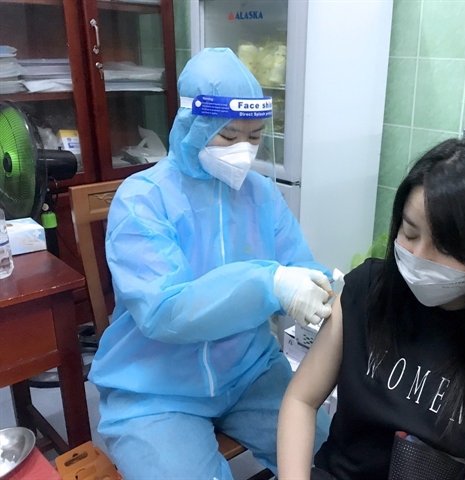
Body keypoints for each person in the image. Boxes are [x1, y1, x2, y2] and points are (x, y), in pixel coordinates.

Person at [89, 48, 331, 480]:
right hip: (156, 386)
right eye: (228, 135)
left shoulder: (262, 195)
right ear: (192, 125)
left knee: (330, 452)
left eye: (254, 137)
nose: (243, 149)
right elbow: (165, 311)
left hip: (250, 371)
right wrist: (268, 284)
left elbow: (299, 266)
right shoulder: (142, 199)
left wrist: (325, 287)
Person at [277, 137, 465, 480]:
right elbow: (302, 400)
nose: (417, 257)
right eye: (409, 232)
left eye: (445, 247)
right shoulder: (370, 289)